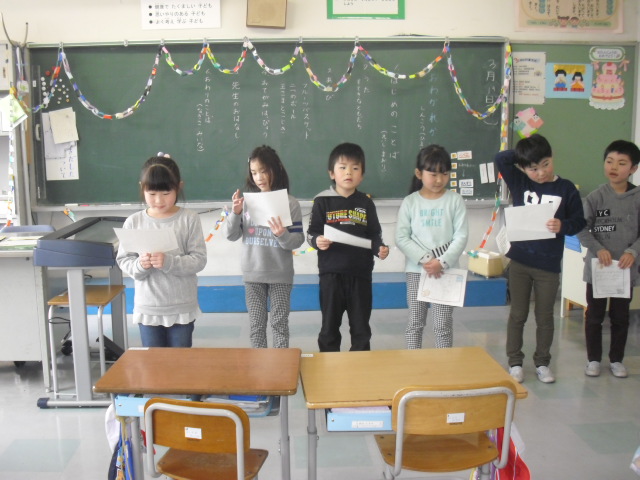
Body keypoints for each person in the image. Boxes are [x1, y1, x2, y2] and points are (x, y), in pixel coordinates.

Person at [495, 134, 585, 383]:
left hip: (548, 265)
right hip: (520, 262)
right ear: (524, 168)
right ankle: (515, 362)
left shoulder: (566, 188)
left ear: (552, 157)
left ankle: (543, 363)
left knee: (545, 317)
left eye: (546, 164)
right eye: (533, 168)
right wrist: (525, 154)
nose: (541, 172)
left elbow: (579, 221)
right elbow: (500, 158)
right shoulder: (520, 182)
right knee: (518, 314)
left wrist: (562, 225)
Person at [116, 154, 207, 347]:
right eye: (152, 194)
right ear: (142, 188)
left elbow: (199, 259)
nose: (159, 200)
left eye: (166, 193)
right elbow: (124, 260)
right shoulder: (134, 221)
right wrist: (140, 265)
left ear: (178, 187)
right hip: (148, 308)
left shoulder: (189, 219)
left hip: (181, 307)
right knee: (153, 361)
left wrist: (169, 262)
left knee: (180, 360)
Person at [306, 142, 389, 351]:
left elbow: (374, 234)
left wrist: (380, 249)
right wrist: (317, 241)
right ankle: (328, 365)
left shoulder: (366, 203)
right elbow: (312, 232)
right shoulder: (322, 201)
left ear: (362, 175)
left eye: (355, 168)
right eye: (342, 167)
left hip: (360, 274)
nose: (348, 172)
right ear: (332, 173)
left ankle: (359, 367)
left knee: (361, 329)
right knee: (329, 328)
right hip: (331, 274)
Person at [225, 145, 304, 348]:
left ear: (275, 169)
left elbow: (297, 240)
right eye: (254, 172)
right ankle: (259, 365)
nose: (259, 177)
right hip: (253, 274)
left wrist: (281, 234)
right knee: (256, 325)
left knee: (279, 324)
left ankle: (280, 365)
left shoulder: (290, 203)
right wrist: (235, 213)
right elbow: (232, 235)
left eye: (263, 171)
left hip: (280, 274)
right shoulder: (247, 203)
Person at [577, 140, 640, 378]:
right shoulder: (595, 197)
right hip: (598, 270)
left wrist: (633, 251)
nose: (614, 167)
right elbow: (582, 229)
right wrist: (598, 248)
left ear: (633, 169)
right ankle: (593, 359)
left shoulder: (637, 198)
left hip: (624, 270)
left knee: (620, 317)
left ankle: (616, 360)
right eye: (610, 161)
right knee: (594, 316)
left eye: (621, 163)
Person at [395, 145, 469, 349]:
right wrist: (428, 260)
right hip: (416, 271)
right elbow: (401, 237)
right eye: (433, 174)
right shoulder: (410, 202)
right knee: (415, 322)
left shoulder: (455, 201)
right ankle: (414, 362)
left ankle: (443, 364)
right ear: (419, 173)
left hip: (446, 271)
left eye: (444, 174)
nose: (439, 180)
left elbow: (461, 236)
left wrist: (442, 262)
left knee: (443, 325)